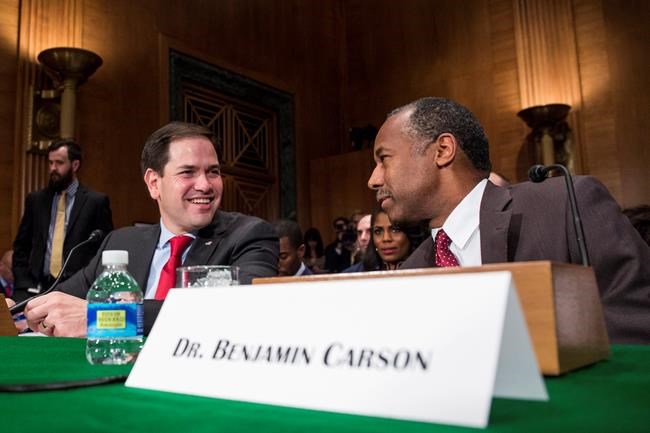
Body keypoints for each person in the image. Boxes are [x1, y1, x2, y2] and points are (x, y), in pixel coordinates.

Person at [367, 96, 650, 344]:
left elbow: (636, 318)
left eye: (384, 159)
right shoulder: (412, 272)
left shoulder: (565, 204)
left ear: (442, 150)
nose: (373, 180)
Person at [8, 121, 278, 336]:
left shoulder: (249, 235)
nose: (205, 185)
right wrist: (16, 312)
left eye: (213, 172)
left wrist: (101, 318)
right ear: (153, 183)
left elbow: (240, 310)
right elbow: (63, 300)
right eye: (188, 172)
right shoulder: (121, 242)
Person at [11, 139, 113, 302]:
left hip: (77, 290)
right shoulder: (36, 200)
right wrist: (23, 283)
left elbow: (104, 249)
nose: (53, 168)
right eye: (50, 163)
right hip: (36, 288)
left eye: (59, 163)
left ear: (75, 165)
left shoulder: (95, 202)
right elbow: (21, 246)